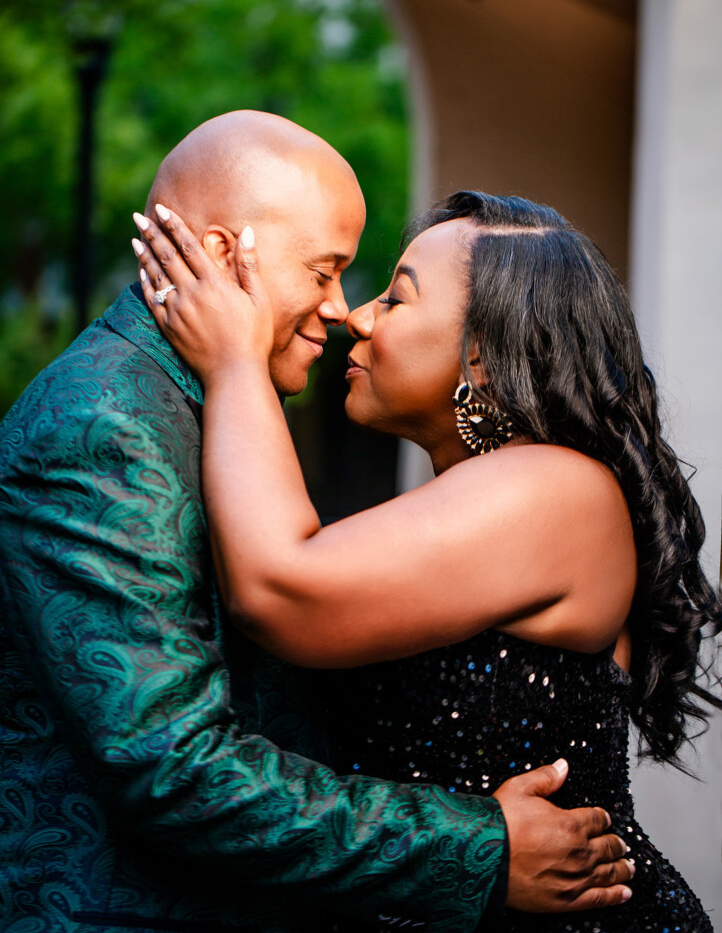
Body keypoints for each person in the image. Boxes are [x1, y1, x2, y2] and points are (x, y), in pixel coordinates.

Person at [0, 114, 632, 933]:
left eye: (386, 292)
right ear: (227, 261)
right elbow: (174, 767)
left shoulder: (211, 411)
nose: (346, 312)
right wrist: (477, 842)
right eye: (328, 270)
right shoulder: (106, 424)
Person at [133, 184, 722, 933]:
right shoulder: (488, 498)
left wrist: (234, 362)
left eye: (397, 298)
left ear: (480, 347)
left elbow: (282, 590)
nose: (356, 315)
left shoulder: (558, 487)